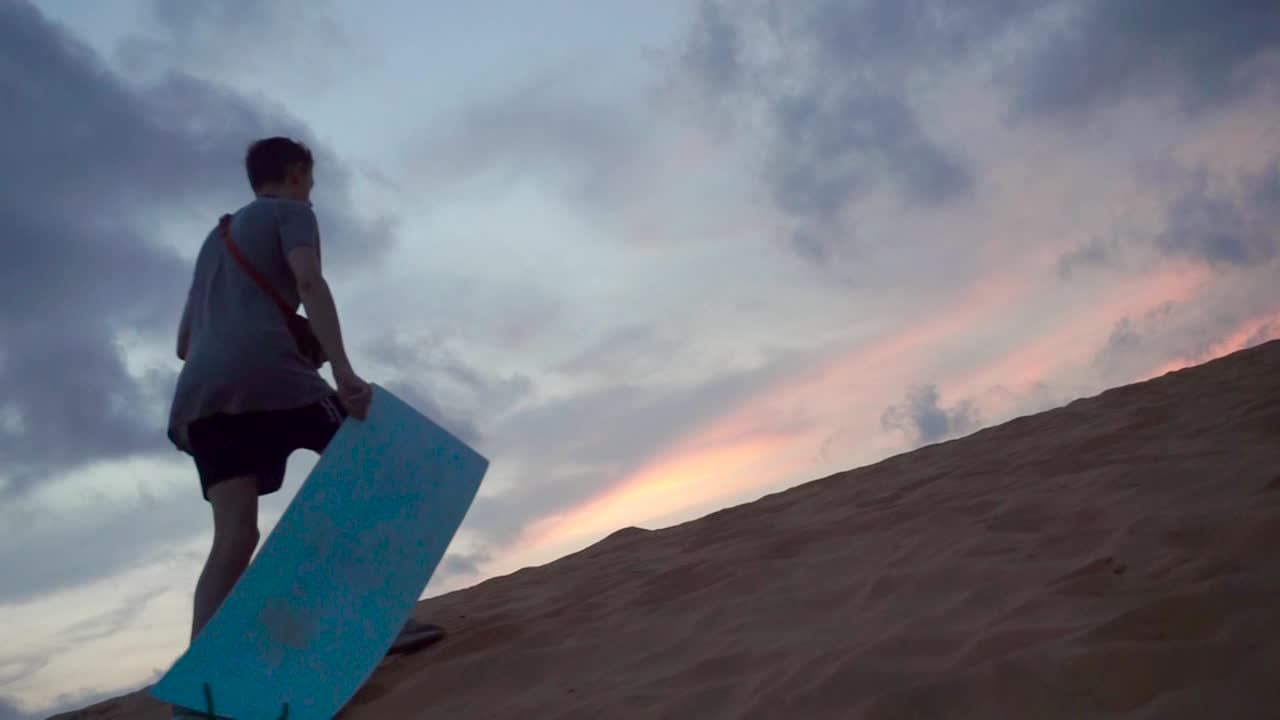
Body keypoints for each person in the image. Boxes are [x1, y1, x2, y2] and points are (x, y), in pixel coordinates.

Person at [166, 137, 440, 717]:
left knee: (234, 538)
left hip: (202, 397)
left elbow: (183, 343)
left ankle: (196, 693)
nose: (311, 194)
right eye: (311, 183)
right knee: (374, 466)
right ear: (296, 174)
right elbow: (310, 283)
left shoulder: (215, 240)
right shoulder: (292, 215)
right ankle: (373, 626)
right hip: (272, 377)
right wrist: (341, 367)